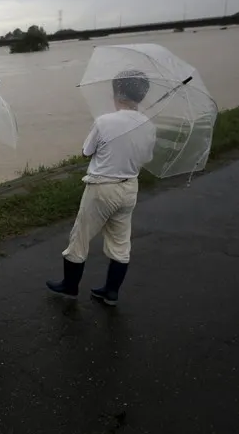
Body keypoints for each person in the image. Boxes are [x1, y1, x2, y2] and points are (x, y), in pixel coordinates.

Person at [46, 69, 158, 305]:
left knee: (80, 238)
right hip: (129, 188)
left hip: (102, 188)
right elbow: (146, 158)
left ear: (118, 91)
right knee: (120, 242)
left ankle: (70, 286)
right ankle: (111, 292)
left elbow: (87, 151)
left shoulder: (105, 121)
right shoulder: (149, 125)